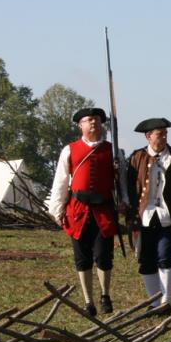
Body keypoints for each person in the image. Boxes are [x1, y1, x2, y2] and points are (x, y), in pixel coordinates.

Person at [48, 107, 118, 317]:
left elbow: (120, 182)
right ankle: (89, 301)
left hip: (103, 210)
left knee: (104, 256)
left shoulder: (112, 150)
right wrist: (57, 210)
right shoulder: (69, 150)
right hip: (77, 211)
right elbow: (60, 181)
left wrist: (123, 202)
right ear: (81, 125)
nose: (93, 123)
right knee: (82, 258)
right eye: (88, 120)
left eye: (96, 119)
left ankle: (105, 295)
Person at [126, 118, 171, 315]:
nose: (164, 137)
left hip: (167, 216)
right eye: (160, 134)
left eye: (165, 133)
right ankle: (154, 302)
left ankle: (166, 301)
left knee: (166, 256)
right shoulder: (136, 158)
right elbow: (129, 189)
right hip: (145, 217)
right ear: (148, 136)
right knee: (146, 259)